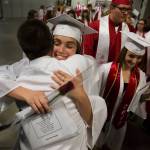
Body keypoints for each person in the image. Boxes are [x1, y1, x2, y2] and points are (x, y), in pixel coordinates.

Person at [0, 15, 107, 150]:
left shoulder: (83, 68)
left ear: (78, 49)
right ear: (50, 44)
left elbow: (91, 120)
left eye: (69, 46)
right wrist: (26, 93)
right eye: (57, 43)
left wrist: (79, 94)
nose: (61, 50)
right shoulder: (27, 64)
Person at [96, 32, 150, 150]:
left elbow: (136, 102)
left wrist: (144, 97)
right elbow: (95, 94)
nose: (135, 61)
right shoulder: (106, 69)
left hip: (120, 122)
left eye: (139, 57)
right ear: (124, 52)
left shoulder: (140, 76)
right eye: (131, 56)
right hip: (101, 119)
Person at [83, 0, 134, 64]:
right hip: (96, 70)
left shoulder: (128, 29)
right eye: (122, 9)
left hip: (117, 71)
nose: (126, 13)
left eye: (128, 9)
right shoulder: (95, 26)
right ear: (111, 8)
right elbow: (87, 54)